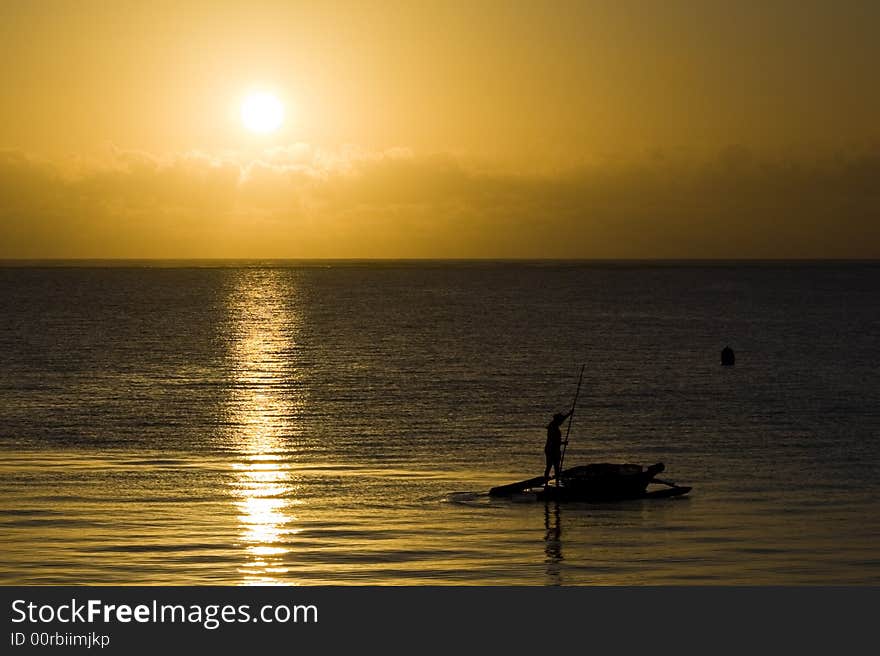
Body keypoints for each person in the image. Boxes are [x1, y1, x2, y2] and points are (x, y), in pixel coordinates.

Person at [544, 410, 572, 481]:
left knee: (554, 466)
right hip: (551, 449)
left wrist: (569, 414)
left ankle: (555, 481)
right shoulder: (553, 428)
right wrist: (563, 443)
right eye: (560, 420)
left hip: (553, 449)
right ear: (557, 420)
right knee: (551, 466)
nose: (561, 422)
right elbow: (554, 441)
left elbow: (562, 420)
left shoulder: (553, 425)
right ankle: (547, 481)